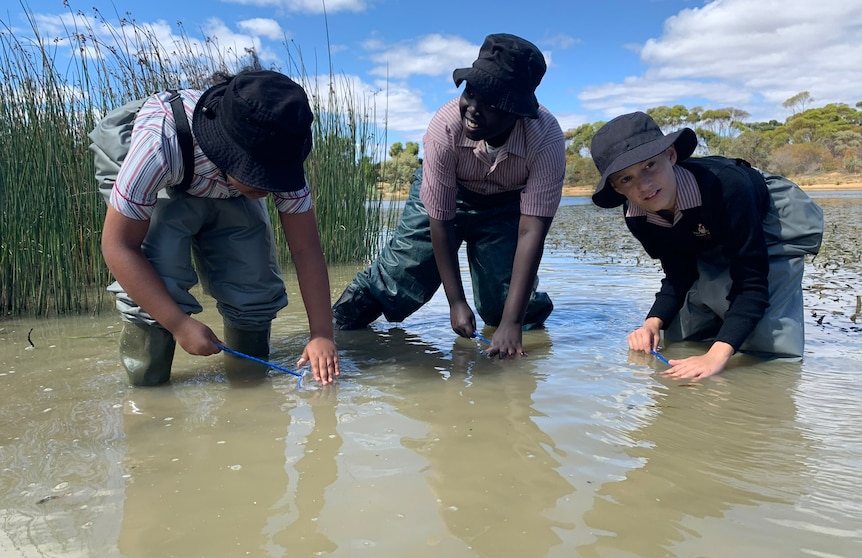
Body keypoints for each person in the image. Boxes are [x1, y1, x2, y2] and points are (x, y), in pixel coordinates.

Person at [93, 69, 339, 386]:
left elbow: (306, 250)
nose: (271, 188)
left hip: (225, 181)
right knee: (162, 268)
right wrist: (179, 324)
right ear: (226, 151)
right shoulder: (158, 146)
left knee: (253, 282)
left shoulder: (280, 153)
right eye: (261, 178)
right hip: (169, 168)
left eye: (276, 180)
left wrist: (321, 334)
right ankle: (148, 392)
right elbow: (119, 246)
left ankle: (248, 390)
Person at [332, 33, 566, 358]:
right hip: (449, 195)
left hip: (505, 204)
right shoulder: (445, 127)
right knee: (404, 271)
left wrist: (510, 323)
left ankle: (527, 339)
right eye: (471, 93)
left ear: (518, 112)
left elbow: (531, 231)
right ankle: (336, 328)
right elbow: (440, 223)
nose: (473, 109)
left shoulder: (546, 138)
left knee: (503, 301)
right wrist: (455, 302)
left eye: (492, 104)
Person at [589, 111, 823, 379]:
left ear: (671, 155)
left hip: (765, 219)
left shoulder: (729, 187)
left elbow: (751, 282)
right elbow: (679, 273)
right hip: (702, 226)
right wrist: (651, 323)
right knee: (680, 334)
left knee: (767, 344)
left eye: (649, 165)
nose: (644, 185)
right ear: (617, 189)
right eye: (627, 179)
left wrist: (716, 356)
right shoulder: (638, 215)